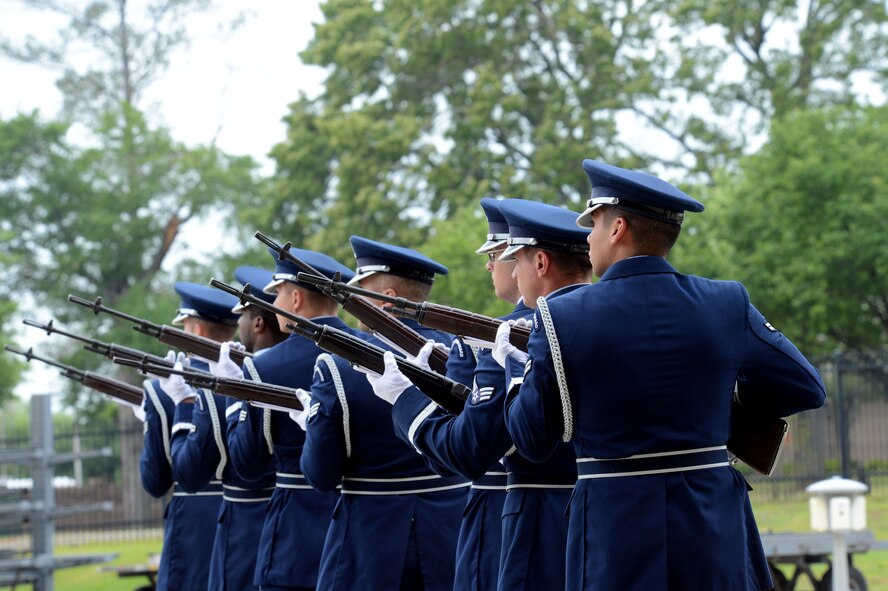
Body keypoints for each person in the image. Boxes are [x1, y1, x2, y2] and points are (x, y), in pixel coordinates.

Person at [503, 159, 827, 590]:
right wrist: (719, 409)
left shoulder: (560, 316)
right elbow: (806, 388)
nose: (588, 237)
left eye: (594, 224)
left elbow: (531, 440)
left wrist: (516, 372)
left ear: (617, 229)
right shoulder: (725, 302)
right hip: (710, 522)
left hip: (613, 530)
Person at [378, 201, 592, 590]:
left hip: (526, 523)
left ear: (538, 263)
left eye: (506, 255)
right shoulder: (607, 317)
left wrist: (408, 400)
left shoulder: (503, 341)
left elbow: (466, 452)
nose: (493, 266)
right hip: (604, 518)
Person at [297, 236, 469, 590]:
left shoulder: (336, 368)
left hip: (368, 549)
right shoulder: (462, 355)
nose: (351, 302)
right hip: (452, 540)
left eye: (359, 290)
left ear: (387, 300)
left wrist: (311, 426)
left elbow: (320, 476)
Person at [224, 247, 353, 591]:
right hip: (359, 522)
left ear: (295, 298)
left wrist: (234, 401)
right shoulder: (371, 351)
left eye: (277, 294)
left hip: (296, 531)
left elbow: (248, 464)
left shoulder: (264, 367)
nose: (275, 303)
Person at [162, 281, 278, 591]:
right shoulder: (314, 366)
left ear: (197, 330)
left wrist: (184, 406)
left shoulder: (212, 382)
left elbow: (180, 474)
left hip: (239, 529)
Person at [137, 281, 233, 591]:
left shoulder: (160, 390)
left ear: (197, 331)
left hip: (193, 530)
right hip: (246, 520)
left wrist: (154, 419)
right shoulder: (253, 377)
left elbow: (155, 481)